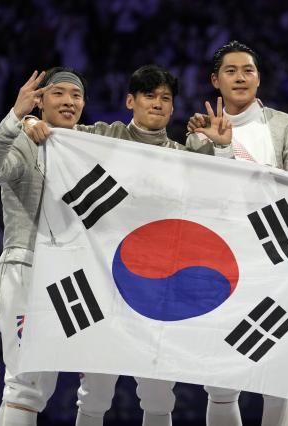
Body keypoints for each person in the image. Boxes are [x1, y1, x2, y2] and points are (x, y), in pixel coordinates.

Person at [24, 65, 201, 426]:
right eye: (149, 96)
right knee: (95, 392)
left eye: (165, 98)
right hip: (103, 281)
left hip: (159, 285)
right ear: (129, 101)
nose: (158, 104)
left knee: (158, 393)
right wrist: (29, 120)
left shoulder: (187, 158)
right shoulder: (103, 136)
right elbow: (58, 131)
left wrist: (222, 148)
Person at [186, 40, 288, 426]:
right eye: (231, 71)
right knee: (221, 382)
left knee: (277, 377)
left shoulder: (286, 126)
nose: (241, 78)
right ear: (215, 80)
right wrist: (213, 146)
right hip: (221, 264)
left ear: (259, 78)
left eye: (248, 70)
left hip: (275, 263)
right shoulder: (198, 135)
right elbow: (199, 201)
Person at [0, 67, 87, 426]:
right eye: (59, 93)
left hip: (67, 276)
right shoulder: (25, 139)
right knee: (26, 385)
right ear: (40, 100)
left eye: (77, 95)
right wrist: (16, 117)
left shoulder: (86, 143)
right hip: (26, 269)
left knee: (33, 389)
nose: (69, 101)